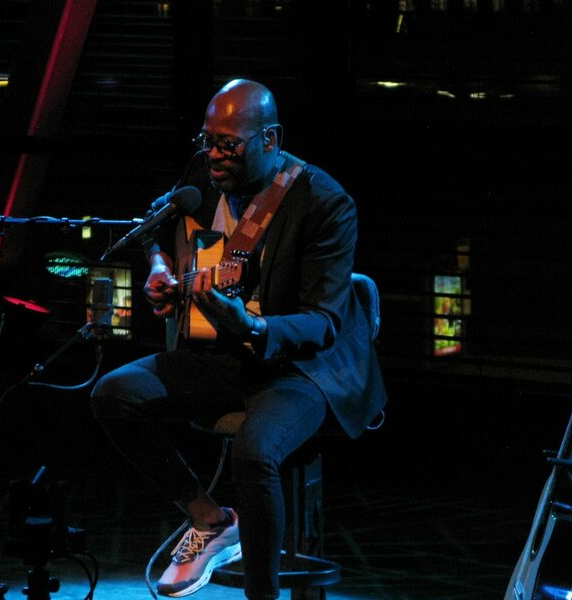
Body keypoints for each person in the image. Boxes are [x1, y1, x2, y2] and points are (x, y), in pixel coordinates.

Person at [91, 78, 387, 599]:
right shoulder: (204, 173)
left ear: (270, 139)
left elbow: (324, 322)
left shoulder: (324, 202)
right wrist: (159, 267)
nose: (214, 155)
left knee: (254, 453)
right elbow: (155, 224)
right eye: (207, 141)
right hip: (224, 354)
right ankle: (209, 521)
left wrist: (251, 326)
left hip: (302, 368)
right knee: (113, 395)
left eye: (228, 144)